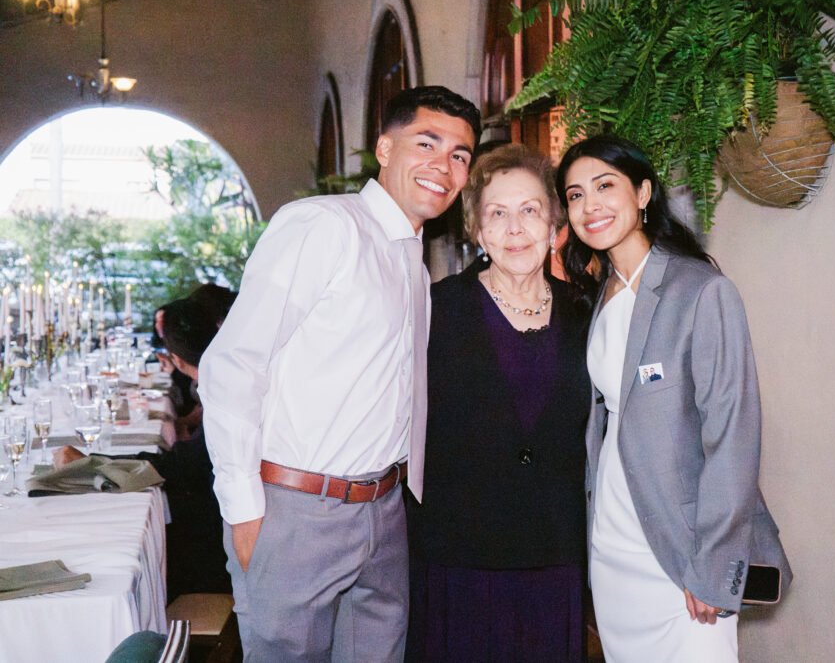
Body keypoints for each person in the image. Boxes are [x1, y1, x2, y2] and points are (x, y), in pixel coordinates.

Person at [199, 86, 480, 662]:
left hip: (384, 510)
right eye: (427, 143)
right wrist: (244, 509)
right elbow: (233, 364)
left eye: (459, 154)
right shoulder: (324, 226)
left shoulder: (412, 258)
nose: (443, 165)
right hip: (298, 511)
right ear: (385, 148)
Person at [557, 135, 792, 662]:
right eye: (575, 195)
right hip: (612, 540)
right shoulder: (597, 296)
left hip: (681, 547)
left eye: (605, 186)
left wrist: (713, 564)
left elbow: (733, 436)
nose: (590, 205)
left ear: (642, 193)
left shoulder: (700, 290)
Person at [405, 144, 591, 662]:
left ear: (555, 225)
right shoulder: (436, 310)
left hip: (554, 553)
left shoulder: (586, 312)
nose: (514, 229)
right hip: (459, 557)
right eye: (497, 214)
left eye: (530, 210)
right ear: (477, 230)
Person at [55, 296, 232, 600]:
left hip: (214, 542)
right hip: (218, 517)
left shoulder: (222, 393)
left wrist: (93, 464)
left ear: (176, 359)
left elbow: (182, 465)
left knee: (118, 542)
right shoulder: (224, 383)